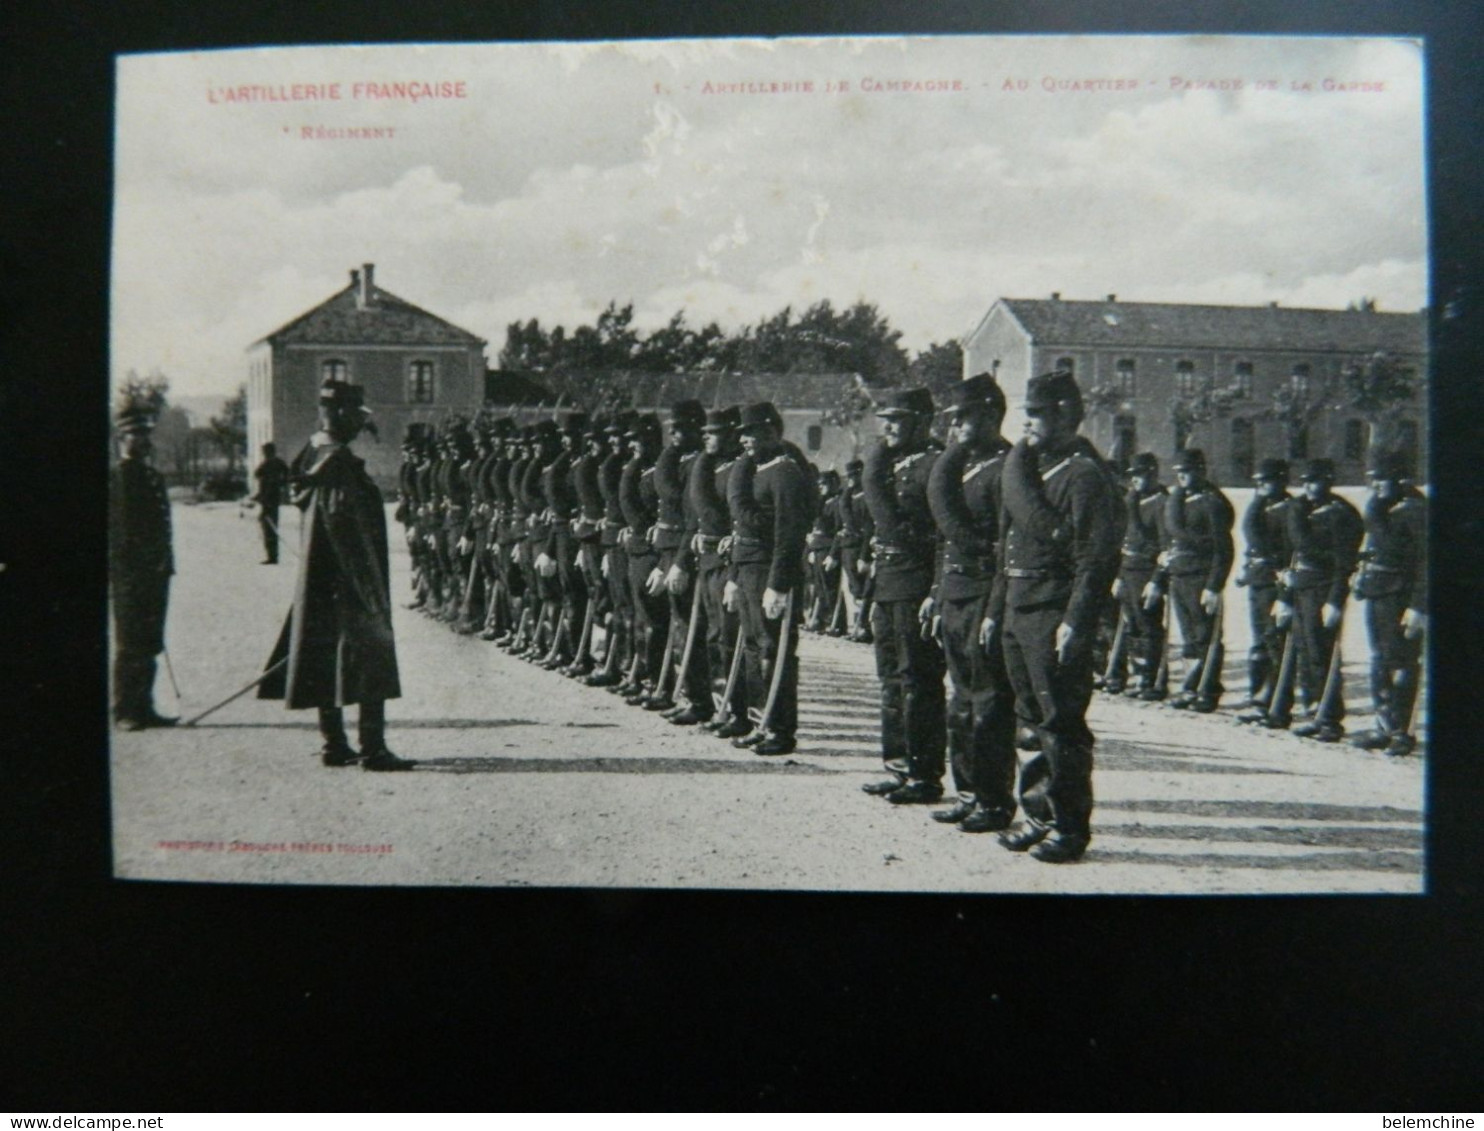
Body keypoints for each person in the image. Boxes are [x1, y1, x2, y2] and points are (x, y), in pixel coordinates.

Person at [989, 370, 1120, 863]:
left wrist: (1075, 621)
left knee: (1060, 724)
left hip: (1052, 613)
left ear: (1067, 414)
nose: (1028, 421)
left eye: (1038, 412)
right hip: (1021, 609)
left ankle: (1069, 828)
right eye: (1027, 411)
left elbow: (1096, 558)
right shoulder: (1033, 471)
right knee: (1028, 722)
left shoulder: (1084, 475)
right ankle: (1037, 816)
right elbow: (1007, 547)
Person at [258, 377, 411, 771]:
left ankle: (334, 744)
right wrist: (371, 591)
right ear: (338, 414)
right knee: (371, 655)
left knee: (322, 656)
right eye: (356, 417)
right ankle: (373, 749)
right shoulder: (338, 465)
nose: (361, 426)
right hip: (350, 582)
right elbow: (347, 530)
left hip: (320, 583)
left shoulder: (311, 456)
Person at [924, 373, 1017, 833]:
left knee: (990, 702)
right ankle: (967, 792)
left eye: (963, 417)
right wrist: (938, 593)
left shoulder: (1009, 468)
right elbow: (947, 539)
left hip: (985, 594)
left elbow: (1007, 548)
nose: (956, 427)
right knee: (959, 701)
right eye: (953, 419)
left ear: (990, 415)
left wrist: (996, 610)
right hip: (957, 593)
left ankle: (994, 800)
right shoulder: (961, 466)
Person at [859, 386, 948, 804]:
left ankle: (924, 773)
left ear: (922, 422)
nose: (888, 427)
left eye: (897, 420)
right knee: (890, 679)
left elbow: (944, 534)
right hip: (888, 579)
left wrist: (936, 588)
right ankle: (898, 766)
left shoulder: (935, 465)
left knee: (918, 680)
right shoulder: (888, 463)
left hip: (917, 580)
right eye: (885, 420)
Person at [725, 402, 811, 755]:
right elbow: (743, 528)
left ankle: (779, 730)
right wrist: (733, 575)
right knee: (752, 647)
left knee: (774, 651)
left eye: (752, 432)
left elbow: (790, 534)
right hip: (747, 567)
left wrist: (778, 584)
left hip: (768, 570)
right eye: (743, 433)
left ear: (773, 433)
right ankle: (760, 721)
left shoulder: (785, 473)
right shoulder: (758, 471)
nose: (745, 439)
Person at [1270, 458, 1364, 741]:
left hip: (1324, 589)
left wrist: (1335, 601)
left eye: (1316, 481)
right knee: (1304, 650)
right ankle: (1312, 711)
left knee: (1322, 652)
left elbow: (1344, 562)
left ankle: (1330, 719)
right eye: (1306, 482)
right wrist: (1284, 596)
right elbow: (1292, 555)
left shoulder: (1342, 513)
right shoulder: (1299, 508)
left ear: (1329, 481)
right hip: (1300, 587)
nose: (1310, 487)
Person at [1350, 449, 1427, 756]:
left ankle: (1403, 732)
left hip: (1403, 595)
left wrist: (1419, 606)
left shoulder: (1416, 509)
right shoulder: (1380, 506)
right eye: (1373, 479)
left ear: (1401, 479)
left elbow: (1427, 562)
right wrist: (1361, 572)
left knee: (1404, 662)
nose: (1376, 485)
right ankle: (1383, 725)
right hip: (1378, 591)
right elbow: (1373, 547)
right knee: (1380, 659)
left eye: (1383, 479)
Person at [109, 403, 178, 731]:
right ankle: (125, 710)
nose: (143, 439)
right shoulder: (120, 476)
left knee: (150, 639)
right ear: (122, 437)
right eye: (136, 434)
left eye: (146, 433)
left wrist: (162, 563)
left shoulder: (151, 475)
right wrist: (134, 569)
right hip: (132, 575)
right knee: (130, 641)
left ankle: (145, 706)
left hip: (156, 572)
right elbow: (122, 531)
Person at [1151, 448, 1235, 713]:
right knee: (1188, 634)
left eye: (1187, 472)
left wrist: (1214, 586)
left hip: (1201, 575)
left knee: (1205, 634)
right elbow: (1170, 538)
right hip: (1180, 573)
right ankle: (1190, 687)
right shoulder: (1177, 500)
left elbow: (1224, 550)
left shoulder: (1212, 503)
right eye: (1179, 473)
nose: (1183, 478)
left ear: (1201, 471)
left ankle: (1207, 691)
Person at [1235, 459, 1295, 721]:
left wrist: (1285, 594)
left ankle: (1277, 706)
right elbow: (1251, 538)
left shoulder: (1291, 509)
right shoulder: (1261, 506)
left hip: (1277, 582)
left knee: (1275, 643)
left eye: (1266, 481)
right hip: (1259, 581)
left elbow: (1292, 552)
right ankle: (1259, 698)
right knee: (1260, 641)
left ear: (1281, 481)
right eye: (1258, 481)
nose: (1260, 486)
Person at [1111, 453, 1168, 700]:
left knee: (1148, 626)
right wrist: (1119, 576)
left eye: (1141, 475)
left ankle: (1151, 679)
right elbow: (1121, 542)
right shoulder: (1129, 500)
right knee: (1132, 624)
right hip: (1128, 569)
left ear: (1153, 474)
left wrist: (1157, 581)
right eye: (1133, 476)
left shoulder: (1163, 503)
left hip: (1147, 571)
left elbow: (1166, 550)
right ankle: (1138, 675)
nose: (1135, 480)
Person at [251, 442, 290, 565]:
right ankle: (273, 555)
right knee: (270, 526)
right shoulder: (277, 463)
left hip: (269, 500)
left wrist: (280, 485)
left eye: (265, 451)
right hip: (271, 499)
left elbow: (257, 474)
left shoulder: (270, 463)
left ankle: (272, 556)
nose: (264, 454)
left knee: (269, 528)